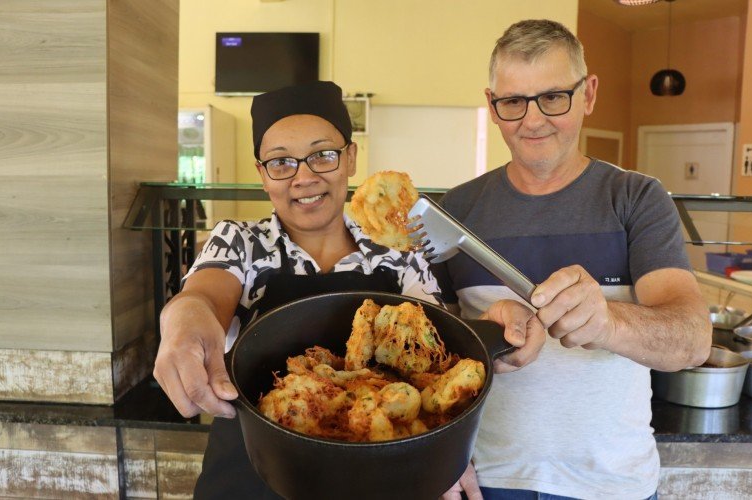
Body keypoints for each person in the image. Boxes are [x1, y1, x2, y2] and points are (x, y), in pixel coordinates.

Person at [152, 80, 544, 499]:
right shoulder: (240, 241)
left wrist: (444, 450)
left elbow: (436, 354)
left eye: (323, 155)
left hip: (381, 476)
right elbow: (202, 299)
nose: (303, 177)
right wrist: (182, 324)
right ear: (262, 175)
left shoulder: (400, 252)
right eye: (281, 162)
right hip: (256, 473)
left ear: (350, 158)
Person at [437, 19, 712, 500]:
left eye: (553, 97)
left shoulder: (637, 199)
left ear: (588, 94)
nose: (533, 119)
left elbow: (691, 341)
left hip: (611, 485)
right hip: (487, 480)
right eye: (514, 102)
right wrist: (483, 332)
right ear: (493, 107)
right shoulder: (454, 212)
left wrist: (608, 322)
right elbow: (425, 353)